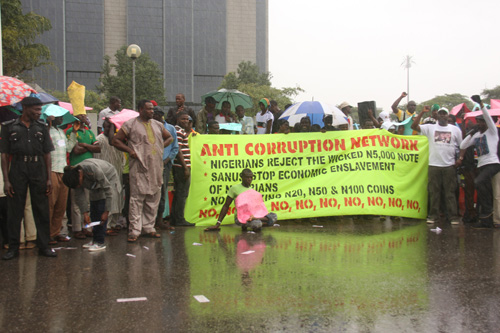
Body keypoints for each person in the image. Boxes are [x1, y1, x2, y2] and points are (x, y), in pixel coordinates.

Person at [0, 97, 56, 260]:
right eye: (36, 110)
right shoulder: (9, 127)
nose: (39, 113)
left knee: (42, 209)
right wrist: (7, 180)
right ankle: (13, 248)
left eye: (40, 110)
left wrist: (48, 178)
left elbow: (47, 153)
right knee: (14, 210)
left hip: (38, 169)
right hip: (17, 168)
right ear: (25, 108)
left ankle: (44, 246)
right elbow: (4, 154)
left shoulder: (42, 127)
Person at [112, 99, 173, 242]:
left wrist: (160, 147)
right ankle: (134, 230)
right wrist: (130, 151)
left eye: (152, 109)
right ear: (140, 109)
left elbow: (169, 137)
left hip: (156, 166)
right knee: (137, 199)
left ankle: (148, 228)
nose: (152, 111)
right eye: (149, 109)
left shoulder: (157, 125)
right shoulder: (131, 124)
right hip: (139, 166)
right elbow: (116, 140)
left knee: (153, 198)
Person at [412, 106, 463, 224]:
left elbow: (461, 146)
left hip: (449, 166)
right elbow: (414, 127)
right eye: (440, 113)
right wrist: (422, 113)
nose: (442, 115)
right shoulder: (430, 128)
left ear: (448, 116)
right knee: (434, 192)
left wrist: (460, 159)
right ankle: (433, 216)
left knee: (450, 192)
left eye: (444, 114)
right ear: (437, 116)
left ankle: (453, 217)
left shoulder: (455, 130)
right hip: (433, 165)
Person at [458, 97, 500, 228]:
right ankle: (487, 218)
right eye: (478, 121)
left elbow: (488, 117)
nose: (480, 124)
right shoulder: (477, 136)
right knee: (484, 192)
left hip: (493, 165)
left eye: (482, 122)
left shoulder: (492, 132)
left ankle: (497, 220)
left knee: (495, 194)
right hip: (481, 166)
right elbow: (462, 145)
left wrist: (480, 103)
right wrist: (471, 133)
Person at [62, 159, 121, 251]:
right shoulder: (74, 176)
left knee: (101, 207)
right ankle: (95, 240)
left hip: (108, 178)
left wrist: (107, 211)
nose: (79, 186)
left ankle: (100, 242)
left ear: (80, 174)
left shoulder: (93, 170)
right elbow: (79, 196)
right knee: (94, 210)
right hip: (94, 184)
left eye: (79, 184)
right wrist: (85, 214)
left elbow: (108, 191)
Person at [205, 169, 277, 232]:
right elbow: (226, 206)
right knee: (257, 223)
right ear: (241, 177)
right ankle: (253, 223)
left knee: (274, 216)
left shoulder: (252, 190)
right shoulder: (234, 189)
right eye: (247, 177)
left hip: (253, 216)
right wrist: (218, 224)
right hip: (241, 217)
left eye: (251, 177)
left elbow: (257, 208)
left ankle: (254, 220)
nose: (249, 179)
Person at [66, 113, 101, 239]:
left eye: (85, 116)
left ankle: (87, 227)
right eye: (82, 116)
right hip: (75, 169)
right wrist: (90, 147)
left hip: (89, 169)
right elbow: (75, 150)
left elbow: (98, 148)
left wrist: (85, 145)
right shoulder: (71, 132)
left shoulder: (90, 133)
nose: (85, 118)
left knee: (87, 200)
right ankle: (77, 228)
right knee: (76, 200)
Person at [47, 115, 77, 244]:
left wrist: (74, 133)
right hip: (52, 170)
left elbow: (69, 148)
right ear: (51, 118)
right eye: (58, 117)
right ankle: (46, 234)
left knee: (61, 204)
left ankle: (56, 232)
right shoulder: (47, 130)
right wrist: (47, 124)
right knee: (50, 204)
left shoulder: (61, 132)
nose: (61, 119)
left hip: (63, 170)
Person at [93, 118, 125, 234]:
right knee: (108, 199)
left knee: (118, 198)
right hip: (104, 174)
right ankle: (106, 226)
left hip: (117, 172)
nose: (109, 129)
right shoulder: (99, 139)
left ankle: (114, 223)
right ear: (103, 127)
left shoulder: (117, 140)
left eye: (112, 127)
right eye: (107, 127)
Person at [152, 107, 179, 230]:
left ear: (161, 116)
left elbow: (175, 147)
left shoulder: (170, 129)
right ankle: (150, 219)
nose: (154, 117)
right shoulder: (150, 126)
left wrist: (167, 160)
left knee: (162, 190)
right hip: (151, 162)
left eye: (156, 114)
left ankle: (159, 219)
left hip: (165, 163)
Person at [171, 112, 194, 226]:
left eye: (187, 119)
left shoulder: (179, 131)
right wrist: (185, 167)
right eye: (183, 119)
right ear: (178, 119)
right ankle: (180, 219)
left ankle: (174, 218)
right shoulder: (179, 131)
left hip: (179, 166)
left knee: (178, 192)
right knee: (182, 193)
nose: (185, 121)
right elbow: (178, 150)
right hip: (181, 167)